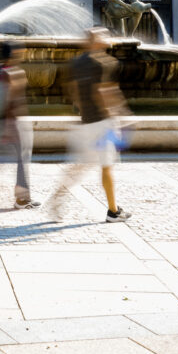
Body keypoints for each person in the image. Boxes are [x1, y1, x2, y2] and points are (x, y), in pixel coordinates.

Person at [47, 27, 132, 223]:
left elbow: (72, 90)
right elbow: (104, 91)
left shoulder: (77, 63)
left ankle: (58, 197)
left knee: (80, 166)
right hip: (103, 123)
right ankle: (113, 211)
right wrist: (121, 113)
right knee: (107, 166)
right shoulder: (104, 62)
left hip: (86, 122)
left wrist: (82, 111)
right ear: (96, 40)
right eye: (104, 35)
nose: (108, 37)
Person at [0, 43, 39, 209]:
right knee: (23, 159)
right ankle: (22, 198)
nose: (22, 54)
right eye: (19, 52)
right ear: (12, 54)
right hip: (13, 122)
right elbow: (10, 101)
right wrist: (9, 127)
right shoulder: (12, 73)